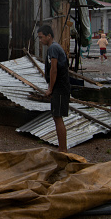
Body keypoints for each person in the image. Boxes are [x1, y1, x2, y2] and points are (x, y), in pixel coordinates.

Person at [37, 25, 70, 153]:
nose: (40, 40)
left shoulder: (53, 48)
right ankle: (61, 148)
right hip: (59, 87)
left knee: (58, 116)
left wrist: (50, 88)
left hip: (60, 88)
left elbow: (54, 69)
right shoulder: (54, 48)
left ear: (48, 36)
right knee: (56, 116)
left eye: (41, 37)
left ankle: (63, 149)